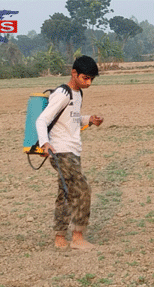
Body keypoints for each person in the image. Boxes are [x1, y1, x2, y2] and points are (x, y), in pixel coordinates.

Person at [36, 55, 104, 250]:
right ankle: (77, 237)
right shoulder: (62, 94)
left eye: (91, 79)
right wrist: (45, 143)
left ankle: (59, 238)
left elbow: (70, 120)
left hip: (73, 151)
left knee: (65, 193)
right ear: (73, 73)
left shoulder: (78, 94)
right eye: (85, 78)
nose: (88, 82)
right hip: (60, 151)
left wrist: (88, 119)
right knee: (82, 190)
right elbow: (42, 120)